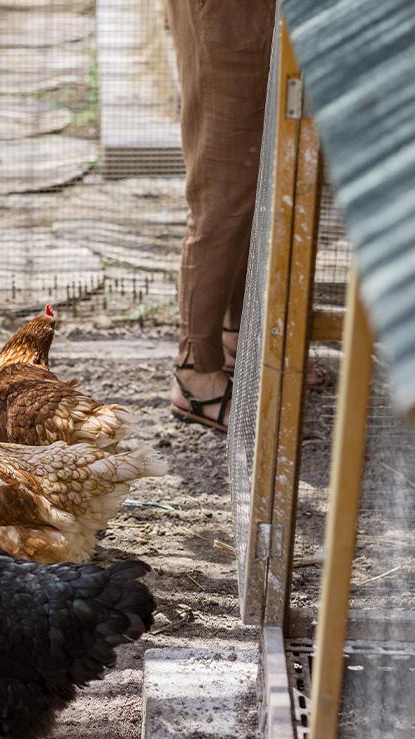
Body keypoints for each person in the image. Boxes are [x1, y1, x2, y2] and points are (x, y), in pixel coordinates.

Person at [167, 0, 277, 432]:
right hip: (225, 15)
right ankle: (196, 373)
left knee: (253, 183)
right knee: (221, 194)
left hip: (257, 15)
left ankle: (236, 341)